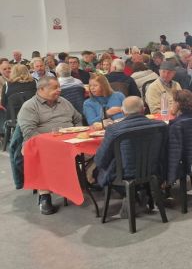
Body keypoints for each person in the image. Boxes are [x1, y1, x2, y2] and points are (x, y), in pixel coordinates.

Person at [17, 76, 83, 214]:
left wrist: (78, 132)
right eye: (54, 88)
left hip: (69, 141)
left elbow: (77, 118)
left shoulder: (63, 101)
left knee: (98, 148)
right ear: (41, 89)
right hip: (41, 143)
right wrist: (50, 144)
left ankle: (87, 179)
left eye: (59, 86)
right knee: (41, 155)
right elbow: (29, 132)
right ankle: (44, 195)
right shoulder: (30, 106)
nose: (59, 90)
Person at [93, 96, 166, 191]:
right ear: (143, 109)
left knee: (98, 170)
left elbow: (101, 160)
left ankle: (131, 198)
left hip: (124, 175)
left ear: (123, 112)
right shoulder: (161, 126)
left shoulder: (113, 130)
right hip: (155, 171)